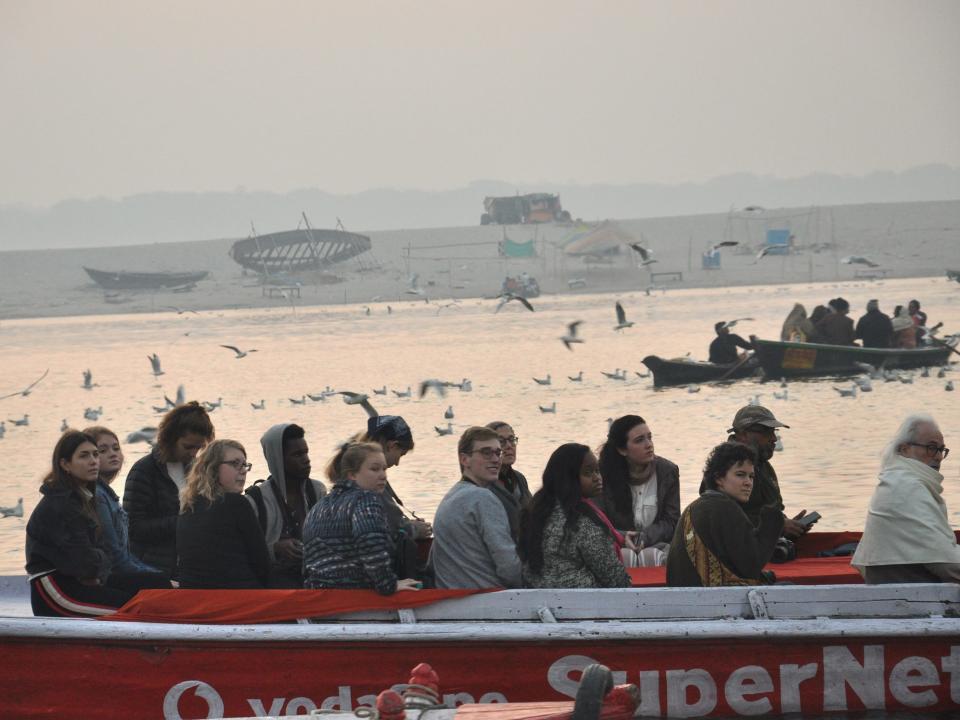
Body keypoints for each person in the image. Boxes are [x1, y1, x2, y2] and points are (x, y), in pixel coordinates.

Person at [26, 431, 141, 616]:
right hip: (55, 590)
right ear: (65, 464)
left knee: (146, 587)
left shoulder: (84, 498)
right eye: (84, 456)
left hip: (74, 580)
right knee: (133, 609)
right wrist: (96, 564)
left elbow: (98, 554)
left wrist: (97, 565)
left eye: (95, 454)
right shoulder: (62, 503)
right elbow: (84, 563)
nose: (93, 461)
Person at [852, 414, 959, 583]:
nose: (938, 457)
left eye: (941, 450)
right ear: (904, 449)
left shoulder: (897, 480)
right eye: (931, 448)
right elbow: (945, 563)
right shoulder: (907, 487)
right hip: (915, 598)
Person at [302, 442, 420, 594]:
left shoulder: (319, 507)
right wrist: (389, 584)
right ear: (352, 475)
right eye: (374, 469)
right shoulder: (365, 499)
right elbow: (371, 545)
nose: (383, 475)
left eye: (384, 469)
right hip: (356, 595)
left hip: (319, 595)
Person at [327, 415, 431, 580]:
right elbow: (383, 533)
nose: (397, 463)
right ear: (392, 446)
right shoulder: (369, 488)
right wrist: (415, 529)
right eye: (401, 454)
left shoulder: (341, 489)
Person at [667, 442, 784, 586]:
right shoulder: (725, 508)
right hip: (715, 602)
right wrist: (773, 521)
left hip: (690, 598)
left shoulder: (694, 507)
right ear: (719, 478)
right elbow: (751, 566)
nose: (748, 483)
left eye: (751, 476)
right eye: (740, 475)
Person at [519, 443, 631, 588]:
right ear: (568, 478)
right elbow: (616, 580)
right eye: (588, 472)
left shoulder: (536, 511)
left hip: (539, 600)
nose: (597, 478)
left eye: (597, 470)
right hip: (583, 603)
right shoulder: (582, 522)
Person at [123, 401, 215, 577]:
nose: (193, 453)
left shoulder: (197, 470)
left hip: (188, 566)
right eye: (188, 447)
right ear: (170, 438)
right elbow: (134, 529)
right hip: (153, 568)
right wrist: (183, 522)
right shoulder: (143, 471)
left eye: (199, 447)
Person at [429, 426, 522, 589]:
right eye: (486, 452)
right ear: (464, 459)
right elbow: (509, 567)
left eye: (497, 452)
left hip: (454, 597)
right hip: (485, 600)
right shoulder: (483, 499)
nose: (495, 459)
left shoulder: (451, 496)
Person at [702, 405, 812, 540]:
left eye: (773, 431)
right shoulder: (723, 467)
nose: (774, 438)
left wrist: (789, 525)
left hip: (764, 546)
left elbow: (770, 508)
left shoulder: (764, 467)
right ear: (743, 434)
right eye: (766, 432)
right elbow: (722, 519)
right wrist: (777, 526)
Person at [177, 439, 270, 589]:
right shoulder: (237, 504)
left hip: (194, 598)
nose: (243, 470)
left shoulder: (188, 507)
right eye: (235, 463)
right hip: (238, 598)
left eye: (245, 465)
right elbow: (262, 563)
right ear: (213, 468)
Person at [247, 423, 327, 587]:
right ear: (278, 459)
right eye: (297, 455)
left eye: (306, 452)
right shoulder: (256, 500)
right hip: (273, 591)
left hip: (316, 584)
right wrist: (275, 548)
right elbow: (245, 551)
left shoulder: (317, 491)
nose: (306, 460)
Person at [85, 426, 168, 582]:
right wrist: (159, 578)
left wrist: (156, 574)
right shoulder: (98, 497)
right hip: (107, 579)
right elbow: (115, 556)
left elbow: (125, 556)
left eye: (116, 448)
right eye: (102, 451)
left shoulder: (107, 494)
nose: (113, 454)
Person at [596, 415, 679, 565]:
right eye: (639, 440)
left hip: (657, 544)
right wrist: (623, 537)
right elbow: (596, 523)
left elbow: (672, 521)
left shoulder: (668, 471)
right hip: (616, 545)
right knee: (626, 557)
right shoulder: (602, 475)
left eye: (650, 437)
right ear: (622, 450)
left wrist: (645, 537)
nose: (649, 445)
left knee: (651, 556)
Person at [486, 421, 532, 541]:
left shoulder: (519, 479)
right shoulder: (485, 484)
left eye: (512, 439)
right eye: (501, 441)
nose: (508, 446)